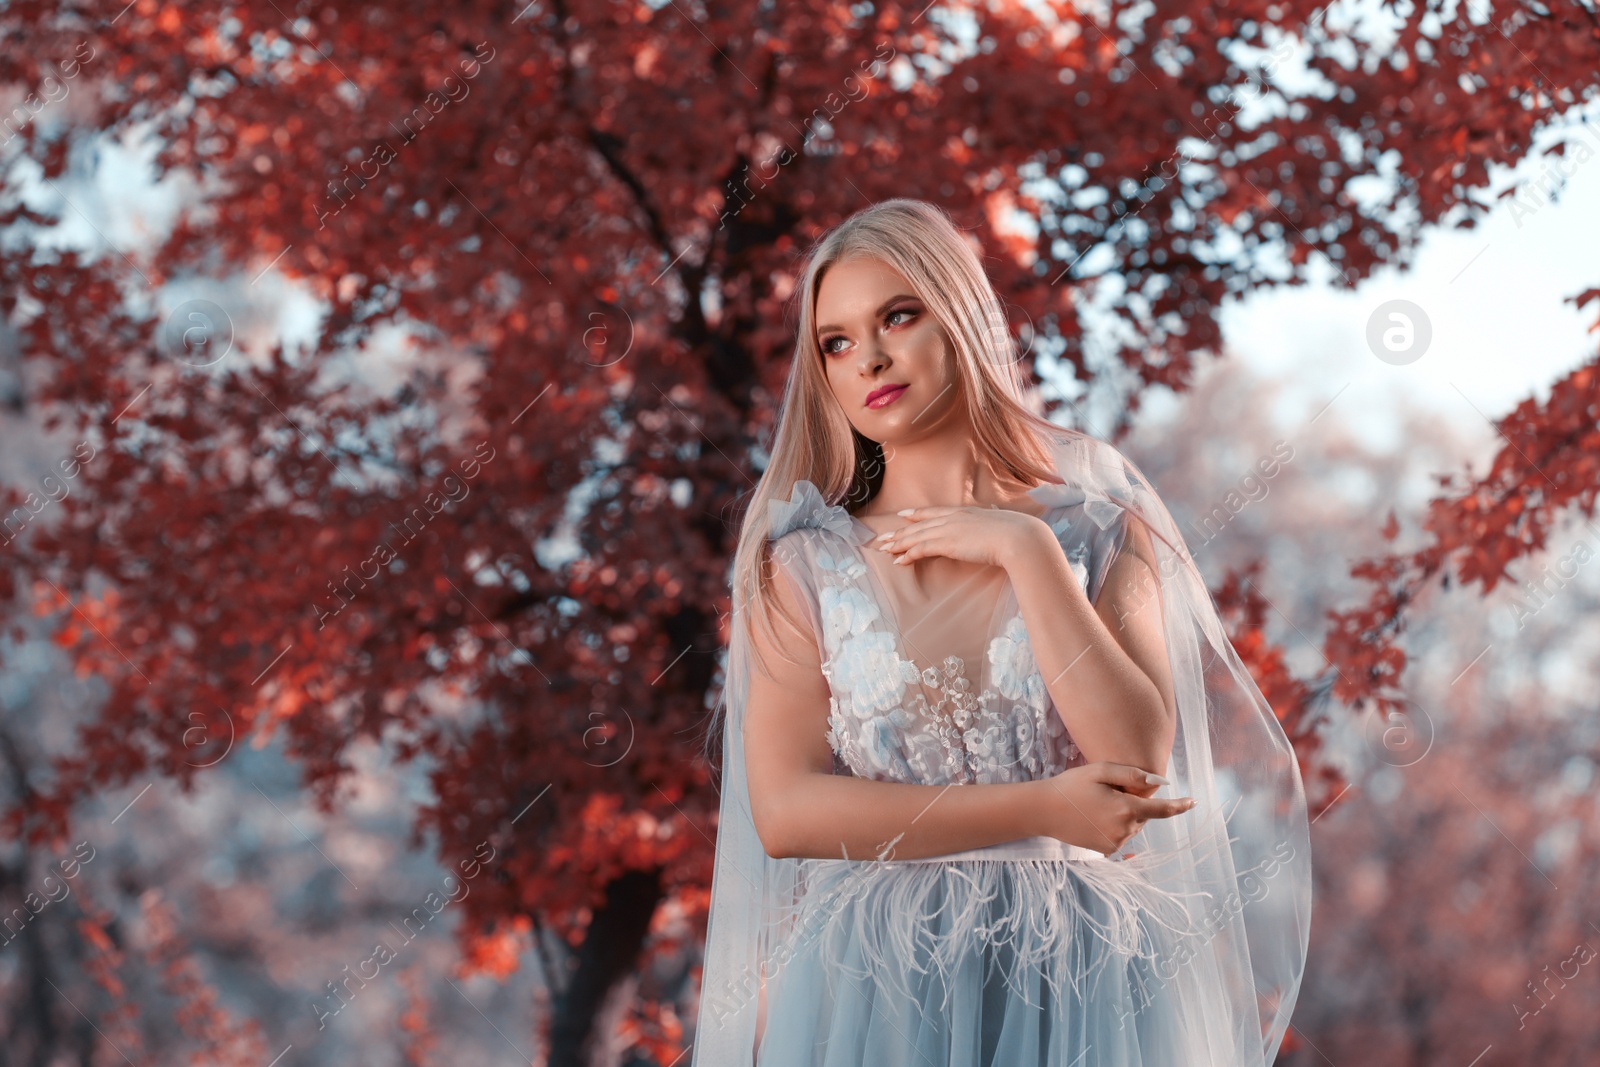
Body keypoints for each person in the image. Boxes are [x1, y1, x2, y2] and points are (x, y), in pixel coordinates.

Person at [692, 198, 1311, 1066]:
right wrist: (1041, 809)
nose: (867, 355)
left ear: (962, 316)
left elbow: (1135, 758)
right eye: (835, 341)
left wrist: (1026, 551)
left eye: (897, 315)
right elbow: (788, 812)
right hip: (877, 985)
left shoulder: (1101, 534)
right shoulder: (800, 566)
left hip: (1083, 971)